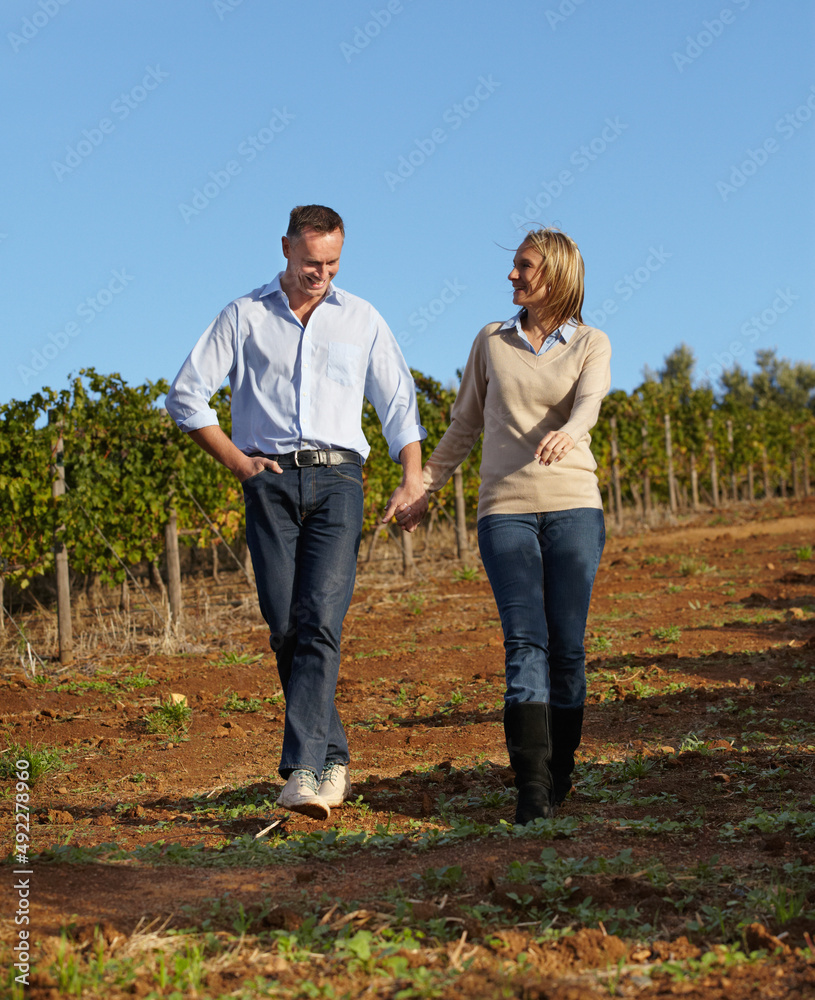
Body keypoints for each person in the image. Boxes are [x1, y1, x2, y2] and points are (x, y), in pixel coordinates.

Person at [166, 205, 427, 819]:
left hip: (339, 480)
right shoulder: (244, 315)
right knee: (285, 622)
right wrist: (239, 464)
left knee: (319, 618)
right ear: (285, 248)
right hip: (270, 480)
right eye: (311, 262)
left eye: (332, 262)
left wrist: (412, 476)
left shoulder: (360, 317)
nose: (321, 274)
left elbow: (397, 404)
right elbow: (185, 395)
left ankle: (304, 771)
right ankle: (334, 756)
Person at [420, 227, 610, 824]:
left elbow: (590, 403)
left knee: (568, 647)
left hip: (574, 502)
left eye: (523, 267)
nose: (511, 275)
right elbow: (463, 425)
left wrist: (570, 433)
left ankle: (562, 770)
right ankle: (530, 788)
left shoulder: (591, 343)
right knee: (525, 640)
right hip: (504, 509)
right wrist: (423, 485)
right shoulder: (490, 341)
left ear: (552, 275)